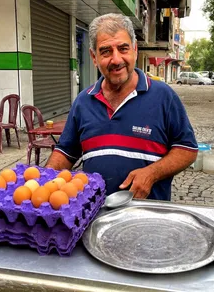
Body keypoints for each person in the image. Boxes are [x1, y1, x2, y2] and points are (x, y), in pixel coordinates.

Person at [45, 13, 198, 201]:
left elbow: (187, 149)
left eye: (123, 48)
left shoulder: (163, 96)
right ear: (94, 57)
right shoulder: (83, 102)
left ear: (134, 49)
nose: (116, 60)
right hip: (94, 216)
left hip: (148, 216)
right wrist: (44, 181)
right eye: (106, 51)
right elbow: (66, 152)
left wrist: (151, 173)